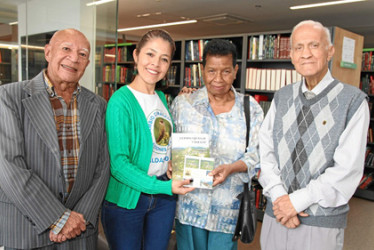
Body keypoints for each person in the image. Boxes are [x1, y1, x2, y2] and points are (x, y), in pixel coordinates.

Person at [259, 20, 370, 250]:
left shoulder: (353, 101)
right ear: (291, 56)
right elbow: (265, 153)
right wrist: (282, 200)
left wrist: (296, 201)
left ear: (330, 52)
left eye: (313, 45)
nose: (306, 54)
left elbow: (346, 170)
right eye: (298, 47)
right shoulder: (281, 97)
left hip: (321, 223)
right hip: (276, 215)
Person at [0, 29, 110, 249]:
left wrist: (79, 218)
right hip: (27, 230)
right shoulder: (9, 96)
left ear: (87, 63)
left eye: (82, 54)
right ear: (48, 52)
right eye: (66, 49)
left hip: (80, 231)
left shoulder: (98, 105)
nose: (74, 58)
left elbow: (102, 167)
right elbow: (9, 166)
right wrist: (58, 218)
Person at [101, 29, 194, 250]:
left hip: (163, 197)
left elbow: (161, 145)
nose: (156, 64)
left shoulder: (162, 98)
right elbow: (119, 166)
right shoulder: (120, 101)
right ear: (136, 56)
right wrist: (164, 187)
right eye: (150, 55)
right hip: (129, 200)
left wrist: (170, 162)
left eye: (164, 59)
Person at [171, 39, 264, 250]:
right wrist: (170, 160)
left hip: (227, 210)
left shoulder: (250, 109)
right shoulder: (183, 104)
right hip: (189, 207)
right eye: (211, 71)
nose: (218, 79)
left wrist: (232, 168)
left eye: (226, 71)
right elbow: (168, 144)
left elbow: (256, 155)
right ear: (202, 69)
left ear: (236, 70)